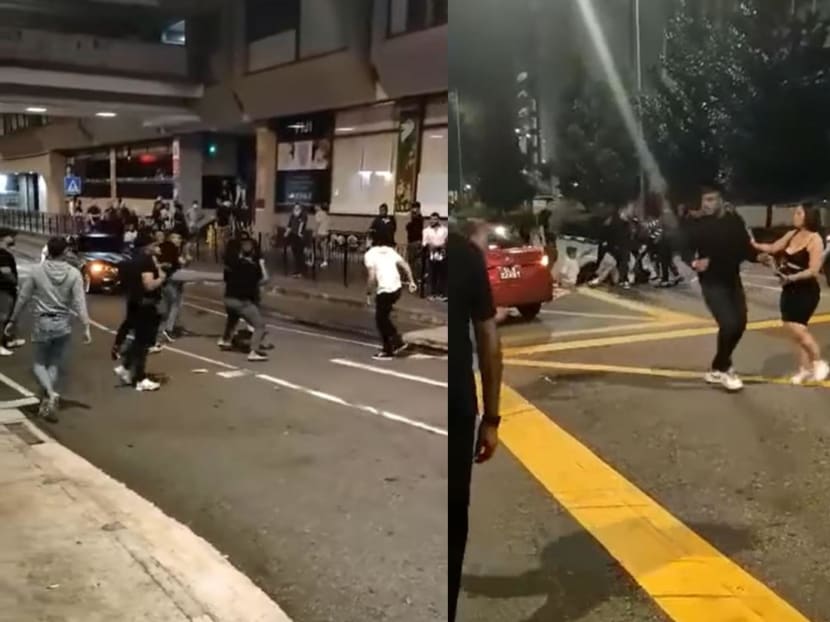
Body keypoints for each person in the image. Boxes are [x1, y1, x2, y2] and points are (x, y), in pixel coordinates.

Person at [448, 230, 502, 622]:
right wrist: (493, 417)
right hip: (459, 401)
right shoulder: (466, 255)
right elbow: (488, 336)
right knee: (454, 513)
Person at [682, 185, 760, 392]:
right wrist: (693, 262)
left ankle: (717, 367)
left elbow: (744, 246)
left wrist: (759, 257)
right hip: (711, 282)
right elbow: (684, 246)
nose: (708, 204)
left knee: (740, 323)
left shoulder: (734, 220)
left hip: (732, 279)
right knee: (729, 323)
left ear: (721, 200)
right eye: (705, 200)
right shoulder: (696, 224)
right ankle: (726, 369)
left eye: (712, 199)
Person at [5, 236, 91, 421]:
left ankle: (50, 394)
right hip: (63, 324)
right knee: (53, 363)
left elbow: (23, 297)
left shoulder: (37, 271)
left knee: (38, 364)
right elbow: (79, 302)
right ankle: (46, 401)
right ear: (65, 252)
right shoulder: (74, 273)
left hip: (43, 323)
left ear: (49, 251)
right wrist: (85, 325)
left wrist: (12, 320)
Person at [751, 203, 829, 384]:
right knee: (796, 332)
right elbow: (773, 248)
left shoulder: (814, 239)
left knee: (798, 329)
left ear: (808, 216)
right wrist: (754, 244)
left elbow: (813, 270)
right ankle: (804, 370)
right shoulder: (792, 234)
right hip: (789, 289)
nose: (795, 215)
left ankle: (818, 362)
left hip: (806, 290)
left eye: (799, 213)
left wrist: (792, 278)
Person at [114, 232, 165, 392]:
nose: (156, 247)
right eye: (153, 245)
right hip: (146, 305)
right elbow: (149, 285)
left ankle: (126, 368)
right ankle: (140, 378)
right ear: (147, 247)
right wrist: (162, 278)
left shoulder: (132, 260)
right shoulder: (145, 261)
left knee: (138, 341)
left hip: (134, 302)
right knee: (142, 344)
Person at [364, 238, 417, 360]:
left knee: (380, 320)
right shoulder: (389, 250)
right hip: (397, 289)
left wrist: (368, 292)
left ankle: (392, 347)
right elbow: (405, 265)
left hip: (385, 289)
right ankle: (394, 344)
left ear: (370, 241)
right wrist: (411, 281)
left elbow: (371, 276)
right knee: (383, 317)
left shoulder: (369, 254)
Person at [218, 236, 268, 361]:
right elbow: (264, 280)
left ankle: (226, 340)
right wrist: (262, 265)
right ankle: (253, 351)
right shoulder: (252, 267)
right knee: (260, 325)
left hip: (229, 299)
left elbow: (226, 279)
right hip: (242, 301)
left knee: (233, 319)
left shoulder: (232, 265)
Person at [0, 228, 19, 356]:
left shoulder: (4, 253)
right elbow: (6, 272)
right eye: (10, 236)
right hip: (3, 289)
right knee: (2, 317)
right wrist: (15, 283)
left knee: (7, 317)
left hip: (7, 289)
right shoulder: (1, 254)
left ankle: (7, 340)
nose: (13, 238)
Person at [422, 212, 448, 300]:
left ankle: (442, 294)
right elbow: (424, 242)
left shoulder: (444, 230)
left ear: (438, 220)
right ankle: (432, 293)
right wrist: (430, 245)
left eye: (435, 219)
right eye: (431, 219)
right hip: (432, 253)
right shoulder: (426, 230)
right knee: (432, 274)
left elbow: (447, 240)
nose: (433, 221)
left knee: (442, 274)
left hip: (442, 253)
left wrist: (444, 245)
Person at [287, 204, 308, 277]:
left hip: (300, 237)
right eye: (295, 208)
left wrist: (299, 232)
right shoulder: (292, 216)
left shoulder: (303, 215)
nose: (296, 209)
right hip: (293, 236)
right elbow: (289, 225)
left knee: (300, 254)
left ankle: (300, 271)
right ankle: (298, 270)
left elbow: (302, 224)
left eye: (298, 208)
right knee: (295, 254)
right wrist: (286, 233)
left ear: (301, 209)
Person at [406, 202, 425, 280]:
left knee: (416, 261)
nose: (413, 210)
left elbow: (411, 227)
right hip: (411, 241)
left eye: (415, 208)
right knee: (411, 261)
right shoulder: (413, 218)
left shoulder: (419, 218)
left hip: (416, 241)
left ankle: (417, 278)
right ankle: (413, 278)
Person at [313, 204, 331, 268]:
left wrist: (315, 232)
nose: (314, 207)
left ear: (318, 207)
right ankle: (325, 260)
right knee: (323, 246)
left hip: (320, 232)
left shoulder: (318, 214)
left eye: (315, 206)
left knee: (317, 245)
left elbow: (318, 223)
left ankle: (317, 258)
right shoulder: (325, 213)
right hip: (326, 232)